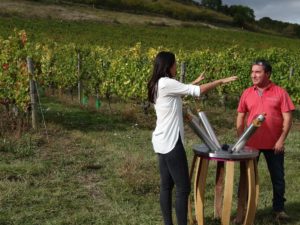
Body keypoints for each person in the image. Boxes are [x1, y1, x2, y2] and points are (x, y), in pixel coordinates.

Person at [148, 51, 237, 225]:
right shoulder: (167, 83)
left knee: (166, 186)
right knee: (183, 188)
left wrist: (194, 82)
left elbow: (179, 91)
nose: (176, 66)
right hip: (171, 142)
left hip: (160, 141)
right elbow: (198, 92)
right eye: (175, 64)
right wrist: (220, 81)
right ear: (169, 66)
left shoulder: (157, 84)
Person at [236, 59, 295, 221]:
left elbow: (288, 119)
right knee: (245, 179)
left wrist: (281, 140)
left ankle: (279, 210)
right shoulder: (247, 92)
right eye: (252, 72)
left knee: (277, 179)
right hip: (250, 145)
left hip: (273, 145)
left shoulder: (280, 92)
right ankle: (243, 211)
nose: (253, 75)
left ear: (267, 74)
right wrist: (241, 140)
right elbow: (240, 117)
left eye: (258, 72)